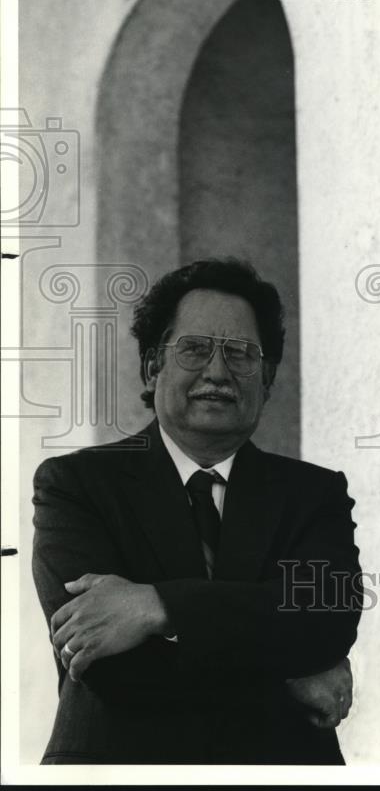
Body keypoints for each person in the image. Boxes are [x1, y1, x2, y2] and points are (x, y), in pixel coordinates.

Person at [32, 258, 362, 765]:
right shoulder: (76, 485)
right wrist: (290, 676)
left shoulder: (314, 494)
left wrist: (156, 606)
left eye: (240, 353)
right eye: (194, 348)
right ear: (152, 366)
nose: (217, 371)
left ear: (268, 378)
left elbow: (326, 622)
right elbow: (109, 667)